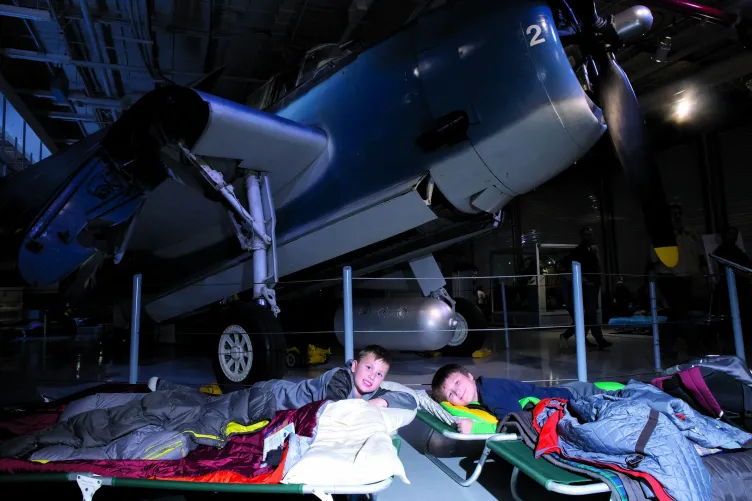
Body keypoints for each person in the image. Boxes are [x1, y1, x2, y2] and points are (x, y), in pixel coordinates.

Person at [253, 344, 417, 411]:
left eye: (379, 374)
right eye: (368, 368)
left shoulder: (373, 392)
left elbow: (410, 400)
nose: (372, 376)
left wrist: (381, 401)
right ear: (353, 366)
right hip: (272, 394)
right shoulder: (340, 378)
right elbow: (335, 409)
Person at [430, 364, 576, 434]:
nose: (457, 391)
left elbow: (518, 423)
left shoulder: (491, 393)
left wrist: (476, 428)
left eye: (457, 382)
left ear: (469, 376)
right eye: (450, 394)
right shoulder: (476, 398)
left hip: (572, 397)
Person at [648, 203, 706, 357]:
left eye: (679, 213)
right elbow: (654, 259)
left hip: (687, 277)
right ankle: (695, 347)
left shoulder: (690, 234)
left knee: (676, 314)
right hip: (670, 278)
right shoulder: (662, 235)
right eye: (673, 214)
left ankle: (665, 346)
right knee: (682, 313)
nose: (677, 216)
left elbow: (698, 255)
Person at [557, 226, 612, 350]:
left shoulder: (591, 250)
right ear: (582, 236)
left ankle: (582, 339)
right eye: (586, 234)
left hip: (591, 286)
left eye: (590, 234)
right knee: (589, 315)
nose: (589, 237)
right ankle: (597, 340)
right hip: (587, 287)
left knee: (589, 316)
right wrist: (586, 281)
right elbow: (566, 264)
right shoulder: (580, 251)